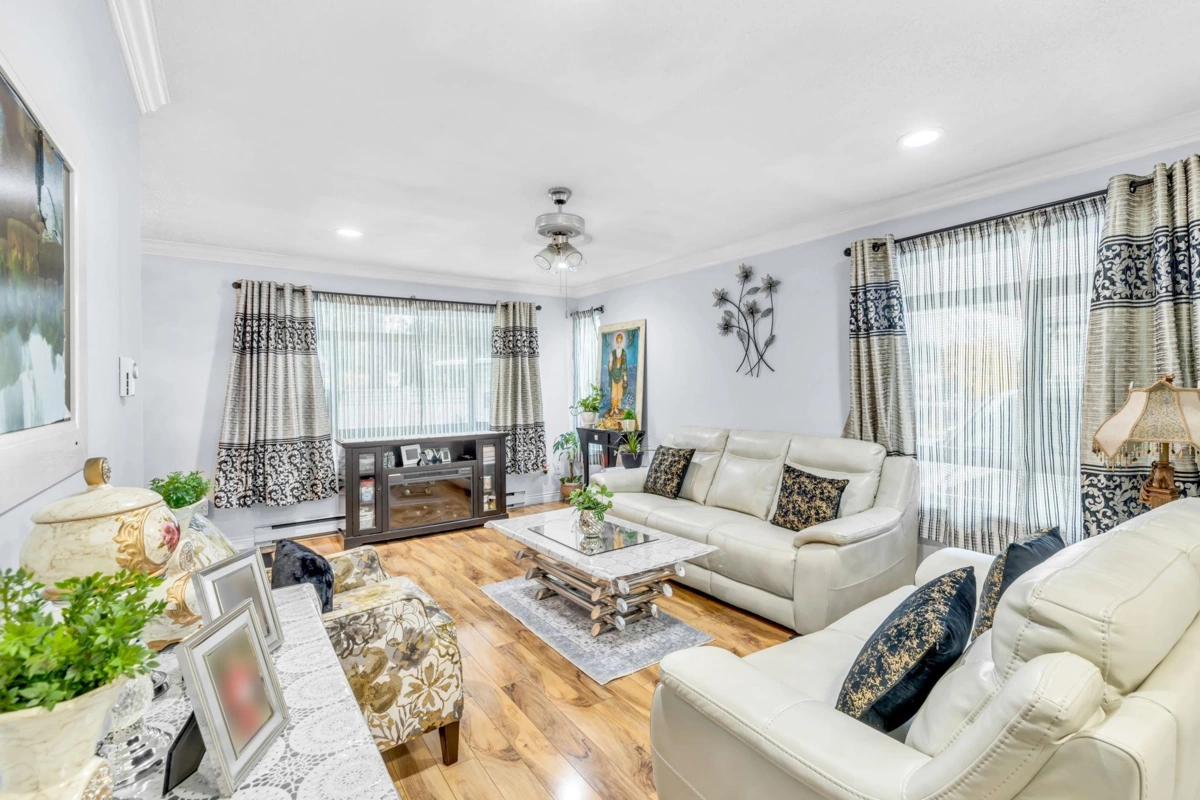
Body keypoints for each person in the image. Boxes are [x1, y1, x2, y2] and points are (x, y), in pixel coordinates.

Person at [607, 332, 627, 412]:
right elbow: (610, 368)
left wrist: (625, 375)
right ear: (616, 342)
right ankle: (613, 407)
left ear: (622, 342)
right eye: (617, 342)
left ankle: (617, 407)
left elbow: (625, 364)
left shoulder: (624, 352)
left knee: (620, 391)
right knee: (614, 391)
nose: (618, 343)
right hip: (614, 375)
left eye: (620, 342)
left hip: (621, 374)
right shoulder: (613, 353)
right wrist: (611, 362)